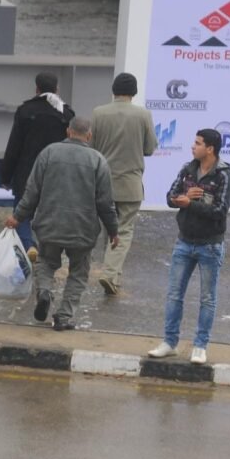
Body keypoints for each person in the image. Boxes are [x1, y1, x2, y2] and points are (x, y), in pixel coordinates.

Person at [5, 116, 119, 331]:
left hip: (49, 224)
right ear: (89, 135)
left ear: (68, 132)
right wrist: (113, 230)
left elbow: (32, 191)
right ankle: (64, 316)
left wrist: (17, 216)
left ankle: (45, 291)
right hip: (83, 229)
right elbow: (105, 202)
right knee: (78, 272)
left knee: (45, 262)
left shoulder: (48, 153)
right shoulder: (98, 160)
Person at [147, 129, 230, 365]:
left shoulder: (224, 176)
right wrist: (184, 196)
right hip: (184, 242)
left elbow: (220, 211)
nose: (192, 147)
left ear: (210, 149)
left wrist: (191, 204)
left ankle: (199, 346)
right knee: (174, 294)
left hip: (210, 246)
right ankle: (169, 342)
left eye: (197, 143)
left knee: (207, 299)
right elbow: (169, 197)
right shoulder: (188, 169)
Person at [89, 72, 157, 296]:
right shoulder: (143, 115)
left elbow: (93, 147)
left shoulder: (98, 113)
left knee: (102, 228)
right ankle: (110, 274)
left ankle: (104, 274)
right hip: (130, 183)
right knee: (124, 230)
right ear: (134, 92)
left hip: (102, 183)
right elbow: (149, 148)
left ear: (113, 90)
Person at [0, 71, 75, 262]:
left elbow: (14, 146)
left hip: (27, 171)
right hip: (56, 174)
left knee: (21, 213)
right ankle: (46, 251)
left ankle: (28, 245)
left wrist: (6, 176)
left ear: (36, 89)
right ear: (57, 89)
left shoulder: (25, 111)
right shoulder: (66, 113)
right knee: (49, 214)